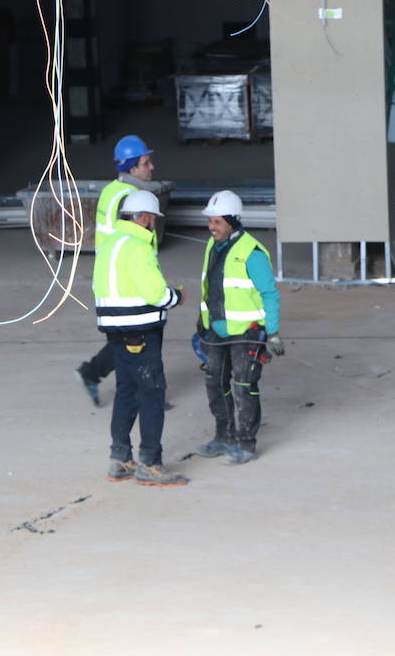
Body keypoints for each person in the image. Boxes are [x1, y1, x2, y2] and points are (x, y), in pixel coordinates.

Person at [92, 189, 187, 486]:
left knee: (126, 391)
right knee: (152, 393)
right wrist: (177, 297)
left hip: (115, 332)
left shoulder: (110, 244)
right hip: (141, 332)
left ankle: (119, 458)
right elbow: (156, 294)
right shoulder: (137, 247)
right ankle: (150, 462)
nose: (154, 225)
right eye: (154, 219)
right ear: (145, 218)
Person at [192, 190, 284, 465]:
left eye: (217, 222)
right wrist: (202, 321)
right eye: (210, 222)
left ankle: (246, 444)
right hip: (216, 331)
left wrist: (273, 331)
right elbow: (211, 288)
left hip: (246, 333)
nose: (211, 227)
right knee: (215, 383)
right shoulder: (212, 246)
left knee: (244, 386)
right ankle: (224, 437)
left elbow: (270, 294)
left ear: (232, 221)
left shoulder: (252, 253)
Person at [76, 134, 166, 407]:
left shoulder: (112, 190)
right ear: (132, 167)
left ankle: (95, 373)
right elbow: (131, 243)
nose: (151, 167)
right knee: (145, 335)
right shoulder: (130, 199)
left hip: (113, 277)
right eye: (146, 162)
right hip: (129, 279)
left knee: (124, 339)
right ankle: (148, 392)